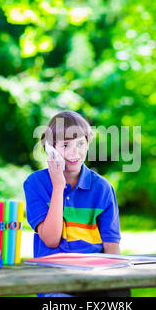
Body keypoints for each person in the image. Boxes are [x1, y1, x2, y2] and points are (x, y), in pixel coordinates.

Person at [23, 110, 121, 297]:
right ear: (50, 148)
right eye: (66, 145)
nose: (74, 152)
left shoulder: (103, 188)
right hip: (54, 282)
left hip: (94, 280)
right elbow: (51, 240)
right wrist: (58, 186)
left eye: (80, 144)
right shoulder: (35, 183)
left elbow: (112, 247)